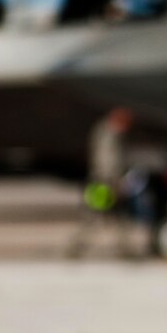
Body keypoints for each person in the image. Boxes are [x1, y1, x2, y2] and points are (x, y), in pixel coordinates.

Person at [67, 107, 133, 258]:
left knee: (114, 218)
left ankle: (125, 248)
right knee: (95, 217)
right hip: (103, 183)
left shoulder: (107, 133)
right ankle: (76, 247)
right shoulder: (108, 135)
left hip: (103, 182)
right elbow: (107, 162)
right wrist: (113, 182)